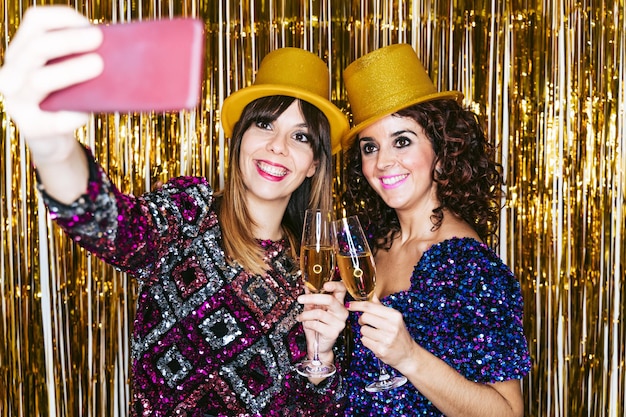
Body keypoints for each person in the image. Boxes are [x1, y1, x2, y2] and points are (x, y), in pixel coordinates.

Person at [0, 6, 350, 417]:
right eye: (265, 125)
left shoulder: (322, 267)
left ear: (313, 164)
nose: (278, 146)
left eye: (301, 136)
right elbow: (109, 224)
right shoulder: (190, 212)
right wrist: (53, 145)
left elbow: (319, 408)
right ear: (238, 138)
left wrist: (322, 361)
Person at [338, 44, 532, 416]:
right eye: (370, 146)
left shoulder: (467, 265)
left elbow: (507, 413)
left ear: (441, 149)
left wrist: (409, 357)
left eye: (402, 141)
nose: (383, 162)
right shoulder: (370, 245)